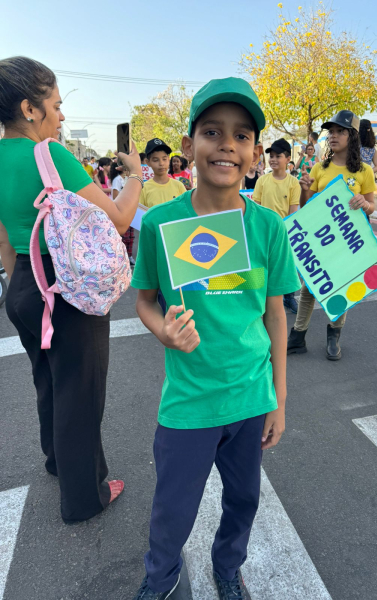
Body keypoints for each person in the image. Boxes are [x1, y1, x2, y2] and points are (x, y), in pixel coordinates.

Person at [130, 76, 299, 600]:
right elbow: (144, 300)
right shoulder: (161, 223)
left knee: (244, 499)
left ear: (255, 154)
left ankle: (228, 567)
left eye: (241, 135)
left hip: (250, 395)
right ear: (188, 146)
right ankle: (161, 578)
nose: (227, 144)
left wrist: (279, 397)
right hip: (189, 400)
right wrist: (164, 331)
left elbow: (275, 314)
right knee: (173, 507)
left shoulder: (268, 227)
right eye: (212, 132)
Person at [0, 56, 143, 522]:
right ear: (29, 108)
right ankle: (84, 498)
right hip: (64, 288)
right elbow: (118, 218)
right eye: (56, 105)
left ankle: (58, 461)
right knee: (80, 393)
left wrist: (22, 286)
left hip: (23, 284)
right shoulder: (50, 155)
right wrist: (136, 175)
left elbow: (3, 239)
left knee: (48, 379)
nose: (61, 116)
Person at [287, 110, 376, 360]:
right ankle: (298, 336)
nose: (333, 136)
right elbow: (306, 207)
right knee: (309, 287)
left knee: (342, 286)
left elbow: (371, 205)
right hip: (321, 239)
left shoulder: (364, 171)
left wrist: (364, 203)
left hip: (348, 241)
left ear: (353, 136)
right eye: (331, 132)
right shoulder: (320, 168)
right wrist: (305, 189)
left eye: (340, 131)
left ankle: (334, 335)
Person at [253, 138, 300, 314]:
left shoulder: (293, 183)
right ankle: (261, 297)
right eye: (271, 156)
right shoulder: (262, 181)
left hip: (283, 232)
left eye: (277, 156)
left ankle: (289, 296)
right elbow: (256, 208)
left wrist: (285, 231)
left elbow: (292, 212)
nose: (273, 159)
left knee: (285, 265)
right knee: (264, 265)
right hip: (263, 232)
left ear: (287, 159)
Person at [140, 139, 186, 209]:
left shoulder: (179, 186)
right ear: (148, 162)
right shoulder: (143, 189)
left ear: (168, 159)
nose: (161, 163)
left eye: (164, 159)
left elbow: (185, 210)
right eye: (155, 160)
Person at [111, 162, 135, 265]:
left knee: (131, 237)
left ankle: (129, 256)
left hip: (131, 210)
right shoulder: (117, 180)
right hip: (122, 211)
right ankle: (122, 258)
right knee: (123, 237)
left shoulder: (130, 180)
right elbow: (115, 196)